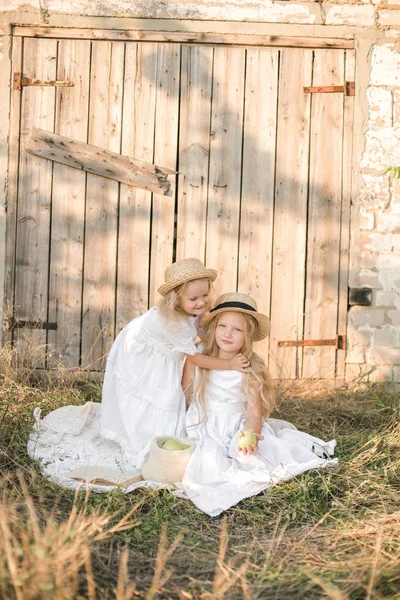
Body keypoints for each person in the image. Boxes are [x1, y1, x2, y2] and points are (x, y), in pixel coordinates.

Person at [182, 292, 337, 517]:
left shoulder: (250, 368)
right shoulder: (201, 355)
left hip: (238, 424)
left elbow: (254, 411)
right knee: (207, 460)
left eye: (237, 329)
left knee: (249, 456)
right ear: (213, 327)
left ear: (248, 336)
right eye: (222, 326)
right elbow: (186, 387)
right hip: (206, 424)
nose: (227, 334)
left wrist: (251, 433)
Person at [100, 258, 249, 468]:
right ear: (176, 299)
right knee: (158, 394)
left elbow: (201, 331)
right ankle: (145, 437)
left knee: (168, 392)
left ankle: (163, 432)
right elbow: (194, 358)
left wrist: (224, 344)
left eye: (205, 295)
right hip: (142, 352)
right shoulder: (173, 323)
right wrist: (228, 364)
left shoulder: (192, 311)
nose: (201, 302)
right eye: (194, 298)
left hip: (162, 348)